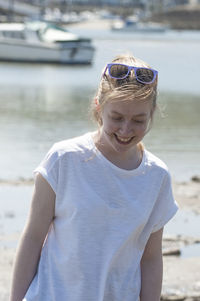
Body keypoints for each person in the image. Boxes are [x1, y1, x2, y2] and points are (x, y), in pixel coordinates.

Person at [10, 53, 178, 301]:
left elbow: (151, 257)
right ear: (99, 106)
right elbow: (33, 237)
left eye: (138, 120)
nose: (125, 130)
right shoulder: (64, 158)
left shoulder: (157, 176)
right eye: (117, 118)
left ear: (152, 113)